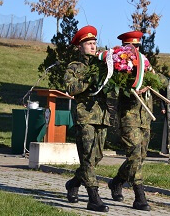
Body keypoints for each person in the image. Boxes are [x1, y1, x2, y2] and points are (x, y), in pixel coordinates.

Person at [63, 25, 111, 212]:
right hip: (85, 116)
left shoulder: (103, 65)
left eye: (94, 43)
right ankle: (93, 197)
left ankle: (74, 183)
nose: (93, 46)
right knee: (87, 156)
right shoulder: (74, 67)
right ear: (80, 47)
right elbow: (70, 88)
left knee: (96, 156)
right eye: (89, 43)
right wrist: (89, 80)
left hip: (102, 116)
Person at [108, 31, 153, 211]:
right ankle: (139, 195)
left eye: (137, 46)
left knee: (140, 157)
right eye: (131, 47)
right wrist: (131, 87)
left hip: (144, 118)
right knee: (134, 154)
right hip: (129, 117)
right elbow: (112, 90)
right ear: (124, 48)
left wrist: (151, 81)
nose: (135, 50)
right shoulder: (118, 67)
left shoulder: (144, 65)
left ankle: (117, 181)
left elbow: (161, 82)